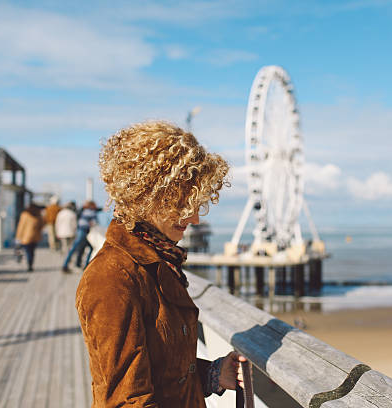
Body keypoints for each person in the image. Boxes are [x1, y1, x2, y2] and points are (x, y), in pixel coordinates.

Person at [76, 121, 245, 407]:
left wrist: (214, 374)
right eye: (182, 202)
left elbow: (163, 373)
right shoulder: (112, 278)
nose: (194, 219)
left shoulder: (157, 261)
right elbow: (127, 401)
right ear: (146, 196)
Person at [61, 200, 98, 273]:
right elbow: (94, 222)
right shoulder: (90, 212)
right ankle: (86, 265)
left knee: (75, 248)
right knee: (87, 247)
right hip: (84, 231)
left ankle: (67, 264)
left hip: (80, 230)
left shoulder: (82, 210)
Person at [15, 203, 44, 272]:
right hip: (35, 237)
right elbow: (42, 225)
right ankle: (30, 264)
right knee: (32, 251)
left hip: (26, 237)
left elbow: (21, 226)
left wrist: (18, 236)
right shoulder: (38, 215)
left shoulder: (25, 215)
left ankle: (27, 263)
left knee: (26, 251)